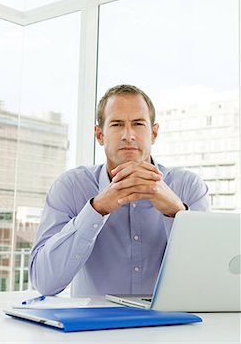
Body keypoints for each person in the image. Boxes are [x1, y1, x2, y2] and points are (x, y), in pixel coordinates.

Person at [29, 84, 209, 296]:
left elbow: (206, 279)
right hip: (94, 328)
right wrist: (96, 210)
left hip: (172, 325)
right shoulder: (71, 187)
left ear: (154, 133)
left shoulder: (189, 187)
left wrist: (176, 213)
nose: (128, 135)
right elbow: (45, 282)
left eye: (138, 123)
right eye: (116, 124)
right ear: (99, 135)